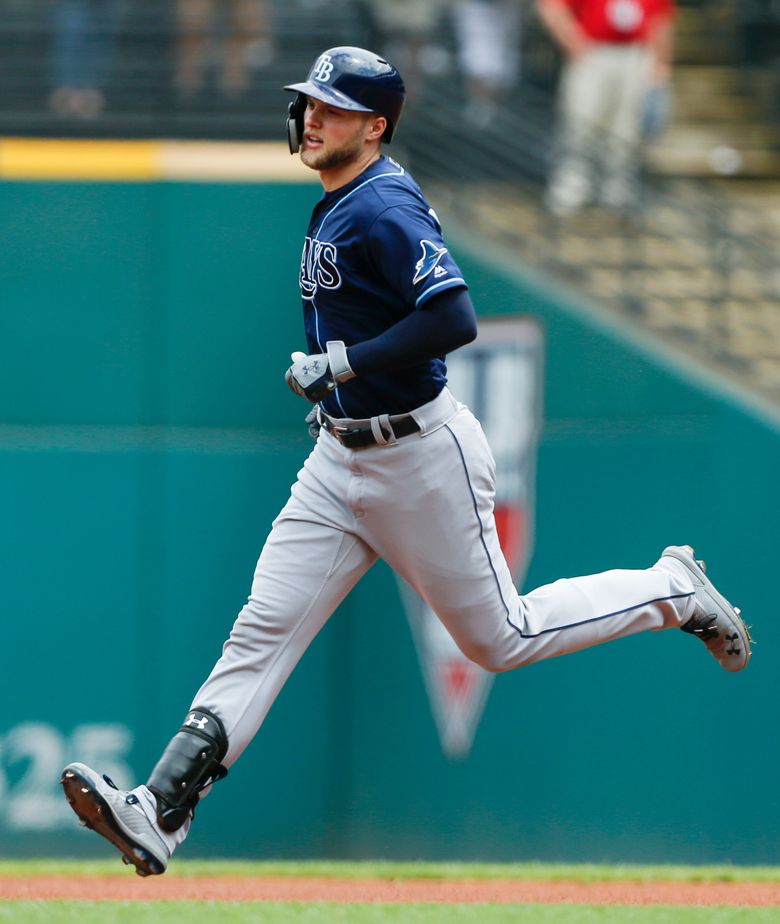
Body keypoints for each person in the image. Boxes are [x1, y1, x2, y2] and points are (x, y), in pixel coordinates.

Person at [60, 46, 751, 877]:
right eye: (310, 103)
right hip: (337, 459)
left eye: (334, 108)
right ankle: (158, 813)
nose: (313, 117)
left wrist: (342, 364)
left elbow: (453, 315)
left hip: (419, 455)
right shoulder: (339, 199)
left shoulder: (383, 202)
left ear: (375, 125)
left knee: (502, 637)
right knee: (261, 632)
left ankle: (671, 588)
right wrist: (336, 384)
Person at [537, 0, 675, 214]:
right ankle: (572, 188)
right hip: (594, 51)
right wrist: (573, 42)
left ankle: (616, 191)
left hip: (636, 54)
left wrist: (661, 62)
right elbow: (551, 7)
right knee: (581, 123)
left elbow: (662, 20)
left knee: (626, 130)